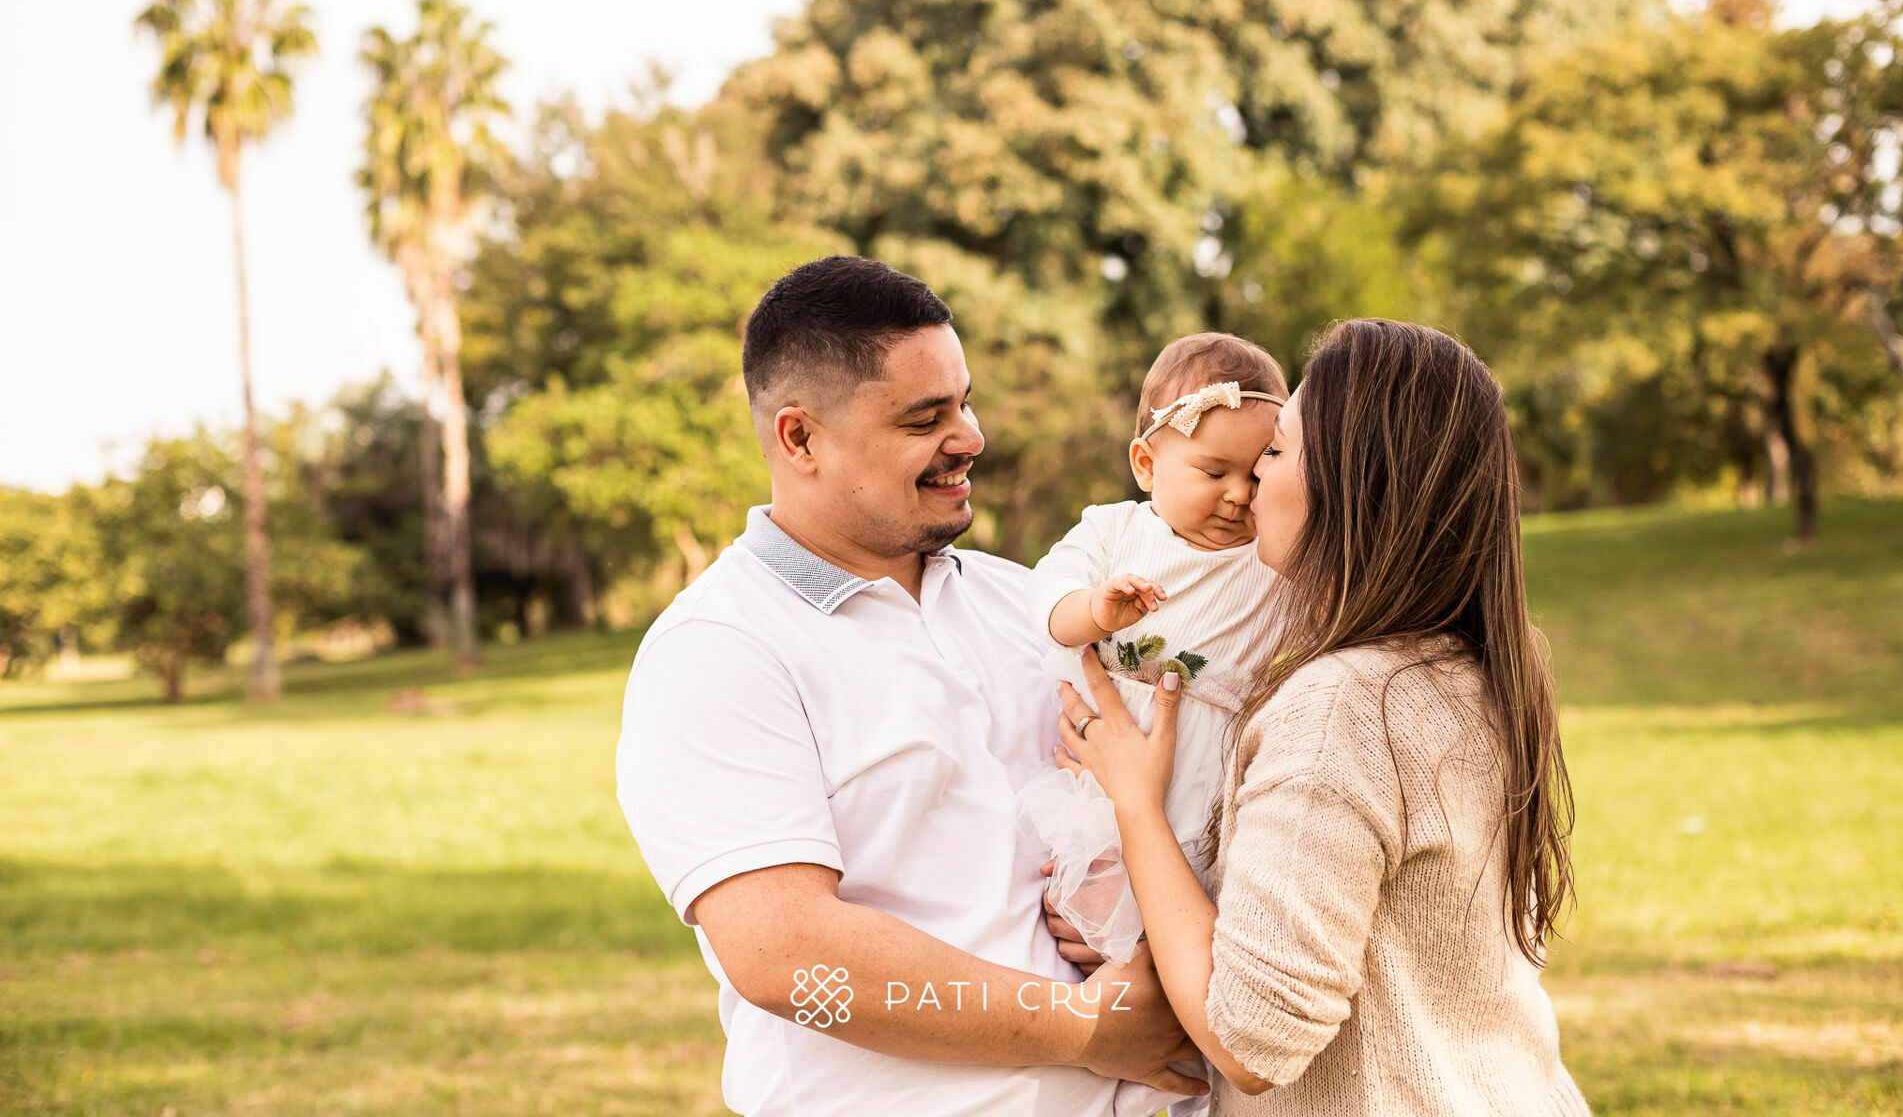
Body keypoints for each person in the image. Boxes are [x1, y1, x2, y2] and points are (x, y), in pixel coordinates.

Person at [614, 254, 1207, 1117]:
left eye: (963, 402)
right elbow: (788, 959)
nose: (970, 437)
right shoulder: (718, 649)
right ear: (800, 438)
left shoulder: (1028, 601)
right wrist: (1083, 1027)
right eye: (925, 418)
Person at [1051, 318, 1589, 1114]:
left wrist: (1136, 806)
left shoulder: (1344, 707)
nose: (1251, 483)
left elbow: (1249, 1040)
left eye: (1276, 450)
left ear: (1347, 485)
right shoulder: (1459, 667)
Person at [1015, 333, 1289, 1117]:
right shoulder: (1114, 535)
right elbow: (1048, 594)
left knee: (1188, 980)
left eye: (1260, 469)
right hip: (1100, 795)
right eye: (1213, 472)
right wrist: (1095, 610)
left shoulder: (1272, 561)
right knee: (1098, 969)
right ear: (1146, 465)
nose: (1239, 494)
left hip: (1198, 810)